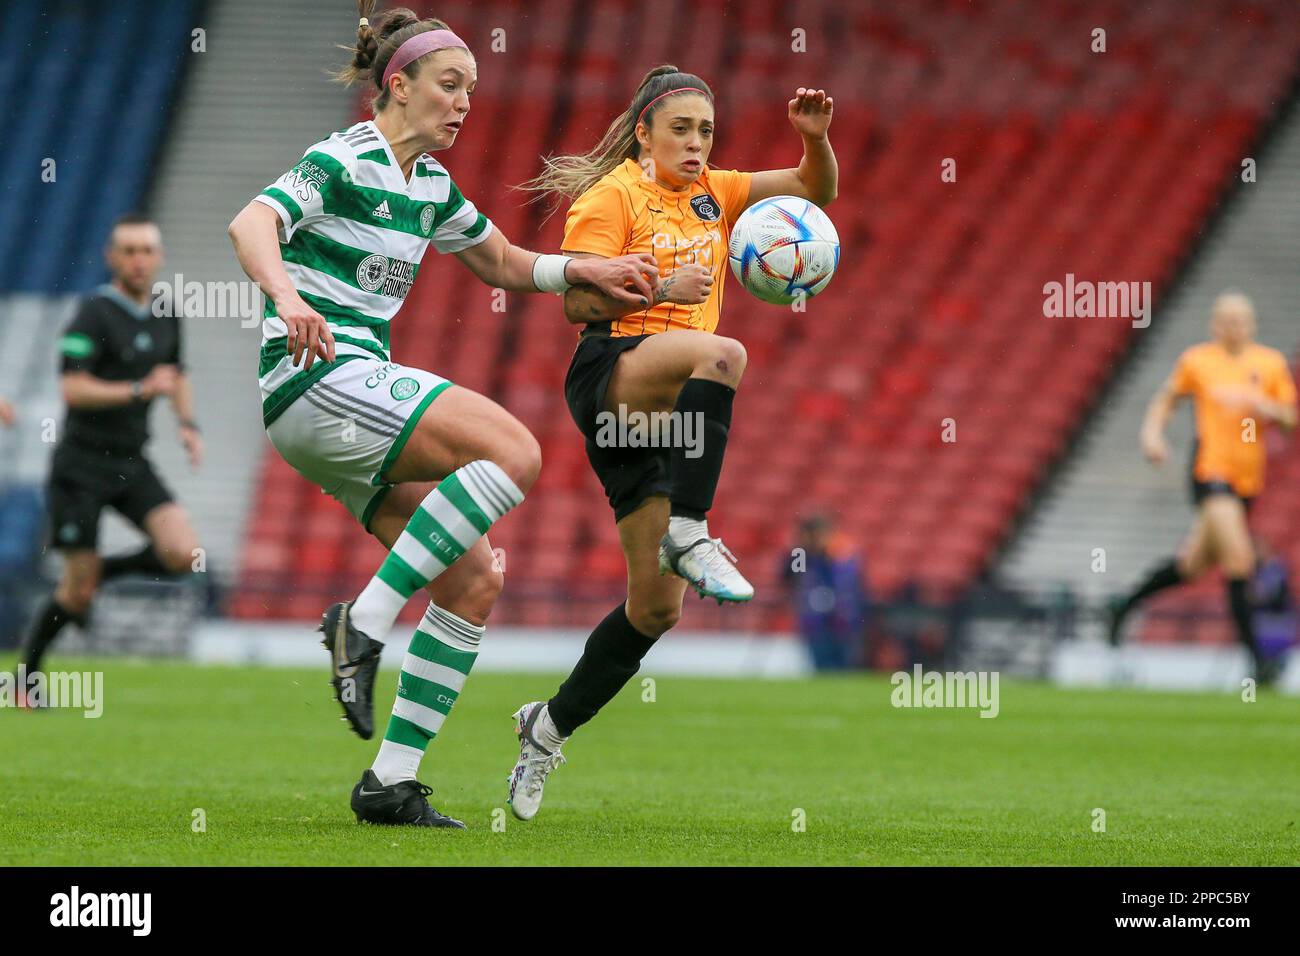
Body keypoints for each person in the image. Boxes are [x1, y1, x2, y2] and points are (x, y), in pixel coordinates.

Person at [227, 3, 660, 829]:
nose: (465, 102)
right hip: (316, 377)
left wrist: (589, 269)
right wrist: (285, 298)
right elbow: (252, 222)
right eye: (450, 84)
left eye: (473, 89)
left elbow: (500, 260)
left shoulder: (428, 186)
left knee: (473, 581)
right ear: (399, 84)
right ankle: (366, 620)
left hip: (342, 416)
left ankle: (389, 784)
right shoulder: (343, 157)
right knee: (515, 451)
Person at [504, 65, 838, 819]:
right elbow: (577, 302)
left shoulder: (715, 192)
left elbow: (815, 193)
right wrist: (660, 289)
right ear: (645, 132)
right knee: (725, 352)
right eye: (680, 129)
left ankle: (546, 729)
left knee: (655, 611)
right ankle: (692, 529)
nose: (695, 143)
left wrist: (814, 142)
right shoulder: (610, 197)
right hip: (613, 373)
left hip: (672, 410)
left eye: (706, 132)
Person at [16, 214, 202, 706]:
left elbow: (175, 373)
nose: (139, 260)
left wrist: (188, 425)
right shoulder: (93, 313)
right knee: (75, 594)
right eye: (129, 251)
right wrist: (138, 389)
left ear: (158, 257)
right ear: (112, 257)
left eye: (146, 250)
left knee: (183, 552)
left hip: (130, 461)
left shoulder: (166, 311)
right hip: (80, 466)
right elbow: (72, 387)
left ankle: (101, 571)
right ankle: (25, 680)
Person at [1109, 291, 1297, 684]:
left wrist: (1267, 408)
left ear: (1252, 324)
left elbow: (1291, 419)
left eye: (1240, 320)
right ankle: (1259, 663)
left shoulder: (1270, 364)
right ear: (1214, 324)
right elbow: (1166, 399)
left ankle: (1123, 606)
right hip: (1210, 472)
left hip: (1248, 481)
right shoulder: (1199, 361)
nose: (1233, 327)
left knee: (1192, 565)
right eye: (1225, 320)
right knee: (1240, 561)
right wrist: (1152, 435)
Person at [782, 513, 869, 671]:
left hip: (843, 622)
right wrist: (800, 549)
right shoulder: (802, 556)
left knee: (845, 667)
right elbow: (792, 576)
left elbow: (849, 582)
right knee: (821, 668)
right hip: (814, 623)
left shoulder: (841, 554)